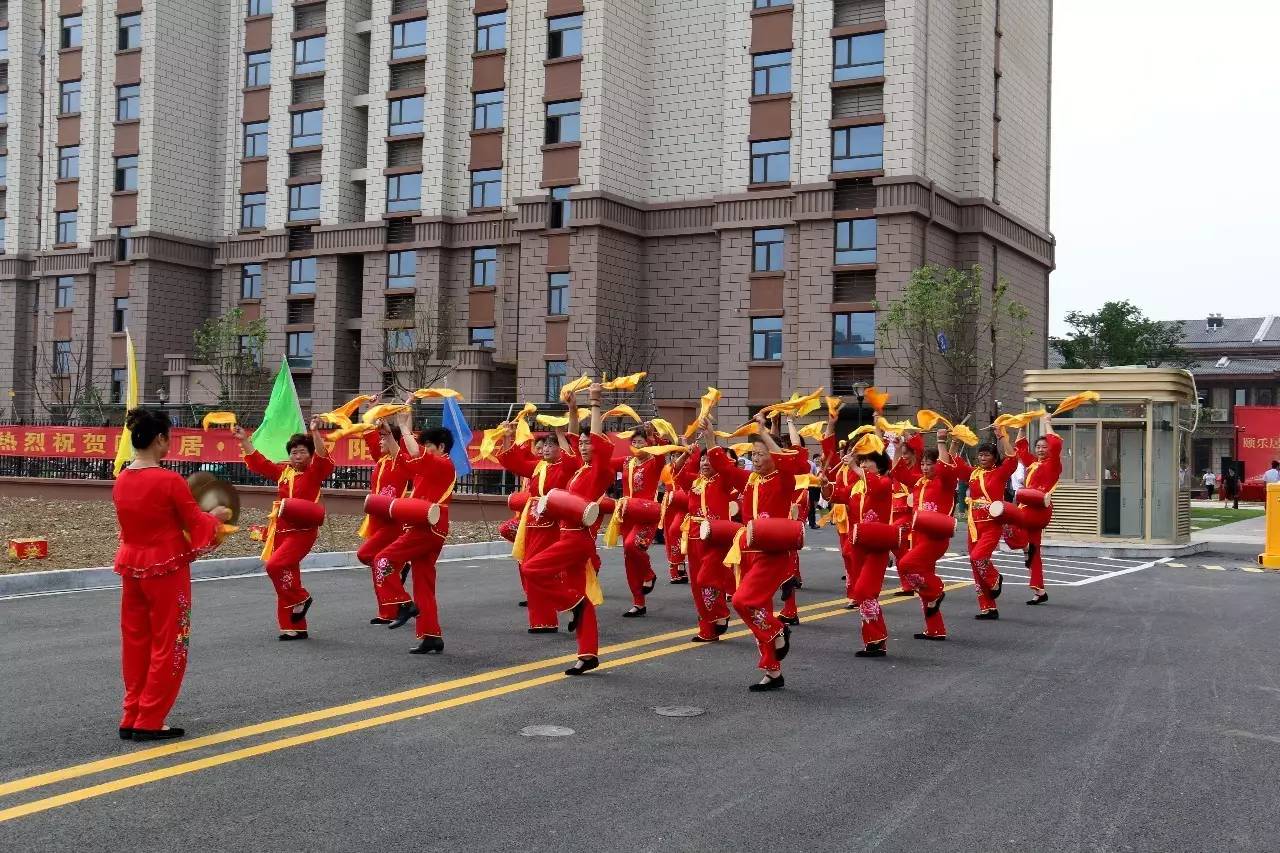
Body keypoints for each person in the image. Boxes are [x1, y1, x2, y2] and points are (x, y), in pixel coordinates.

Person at [113, 408, 232, 741]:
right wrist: (217, 517)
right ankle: (150, 719)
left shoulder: (122, 479)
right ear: (158, 439)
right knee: (170, 641)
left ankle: (132, 713)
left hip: (132, 567)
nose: (169, 446)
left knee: (136, 641)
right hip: (165, 568)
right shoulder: (168, 480)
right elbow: (196, 523)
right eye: (168, 439)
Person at [708, 414, 809, 692]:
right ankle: (773, 671)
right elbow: (723, 468)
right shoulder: (751, 480)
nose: (756, 458)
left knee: (743, 602)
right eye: (753, 454)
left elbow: (794, 461)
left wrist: (764, 433)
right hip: (748, 552)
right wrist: (709, 436)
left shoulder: (783, 478)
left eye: (761, 454)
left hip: (772, 552)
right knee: (758, 609)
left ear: (773, 456)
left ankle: (778, 631)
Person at [520, 384, 615, 675]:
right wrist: (573, 409)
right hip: (566, 536)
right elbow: (572, 438)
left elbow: (597, 440)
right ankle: (587, 654)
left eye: (588, 444)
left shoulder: (601, 470)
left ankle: (572, 604)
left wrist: (595, 403)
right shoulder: (577, 470)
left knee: (532, 569)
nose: (584, 446)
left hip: (578, 540)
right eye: (582, 444)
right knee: (581, 595)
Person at [234, 418, 334, 640]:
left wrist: (315, 432)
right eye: (294, 453)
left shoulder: (314, 472)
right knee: (287, 575)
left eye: (301, 452)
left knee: (275, 567)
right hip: (281, 531)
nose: (297, 456)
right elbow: (261, 463)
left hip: (302, 532)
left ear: (309, 455)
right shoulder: (284, 473)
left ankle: (302, 598)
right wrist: (244, 440)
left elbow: (323, 456)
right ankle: (294, 627)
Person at [374, 407, 458, 654]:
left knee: (381, 560)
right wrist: (390, 435)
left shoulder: (444, 465)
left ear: (441, 447)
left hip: (427, 529)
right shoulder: (426, 470)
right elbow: (403, 456)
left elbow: (415, 453)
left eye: (429, 445)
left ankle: (403, 604)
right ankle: (431, 636)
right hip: (427, 528)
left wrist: (406, 427)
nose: (424, 450)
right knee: (423, 584)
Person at [498, 421, 583, 633]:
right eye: (544, 445)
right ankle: (543, 620)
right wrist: (507, 436)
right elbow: (512, 462)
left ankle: (573, 601)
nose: (545, 449)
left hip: (552, 524)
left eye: (551, 446)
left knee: (537, 569)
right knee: (531, 568)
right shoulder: (539, 467)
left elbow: (573, 461)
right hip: (533, 523)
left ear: (560, 450)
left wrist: (561, 435)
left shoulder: (564, 467)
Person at [824, 443, 895, 657]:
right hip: (857, 545)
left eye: (867, 461)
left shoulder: (884, 482)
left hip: (876, 545)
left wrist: (854, 465)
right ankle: (874, 641)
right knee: (862, 592)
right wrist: (825, 484)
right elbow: (836, 495)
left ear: (880, 465)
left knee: (865, 590)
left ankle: (877, 638)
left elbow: (872, 485)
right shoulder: (856, 486)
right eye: (861, 461)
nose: (863, 464)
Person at [896, 429, 961, 640]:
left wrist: (942, 441)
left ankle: (937, 591)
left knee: (905, 565)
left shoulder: (945, 482)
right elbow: (897, 472)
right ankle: (935, 629)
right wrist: (899, 446)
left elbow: (946, 467)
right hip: (918, 537)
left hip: (935, 538)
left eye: (929, 464)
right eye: (923, 464)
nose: (924, 467)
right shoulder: (918, 482)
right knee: (922, 581)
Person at [678, 435, 739, 643]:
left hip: (716, 536)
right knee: (697, 584)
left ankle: (721, 613)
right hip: (694, 535)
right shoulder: (694, 482)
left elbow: (724, 466)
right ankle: (707, 629)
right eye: (703, 460)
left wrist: (711, 439)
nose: (705, 463)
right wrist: (689, 451)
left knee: (707, 578)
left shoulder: (723, 481)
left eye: (709, 460)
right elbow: (677, 475)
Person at [355, 420, 415, 625]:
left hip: (393, 521)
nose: (380, 441)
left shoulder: (401, 461)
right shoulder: (381, 460)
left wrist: (399, 424)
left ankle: (401, 595)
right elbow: (370, 438)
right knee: (379, 565)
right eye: (380, 437)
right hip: (376, 519)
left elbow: (401, 444)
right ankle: (388, 612)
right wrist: (372, 412)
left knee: (366, 555)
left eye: (384, 438)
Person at [957, 427, 1019, 620]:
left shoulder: (1000, 473)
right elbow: (952, 464)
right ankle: (988, 607)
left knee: (979, 556)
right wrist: (952, 441)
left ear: (994, 458)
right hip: (973, 524)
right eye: (980, 455)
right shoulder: (973, 474)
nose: (982, 458)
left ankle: (995, 579)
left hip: (992, 523)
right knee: (975, 565)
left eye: (986, 455)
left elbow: (1013, 459)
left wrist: (1002, 436)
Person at [610, 426, 665, 617]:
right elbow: (605, 462)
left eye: (641, 442)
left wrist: (654, 436)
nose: (637, 445)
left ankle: (649, 574)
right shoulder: (627, 462)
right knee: (629, 558)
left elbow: (661, 451)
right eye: (634, 442)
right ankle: (638, 603)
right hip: (627, 514)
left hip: (646, 514)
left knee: (632, 546)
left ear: (648, 444)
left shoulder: (654, 462)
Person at [1012, 416, 1064, 605]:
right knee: (1036, 551)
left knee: (1008, 519)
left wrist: (1047, 422)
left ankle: (1025, 548)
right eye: (1038, 447)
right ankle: (1039, 590)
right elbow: (1021, 447)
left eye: (1044, 447)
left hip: (1039, 510)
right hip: (1028, 508)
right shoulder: (1033, 463)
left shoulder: (1053, 463)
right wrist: (1022, 426)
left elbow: (1056, 442)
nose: (1041, 450)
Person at [807, 453, 823, 529]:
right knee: (810, 505)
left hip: (812, 486)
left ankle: (811, 522)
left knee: (812, 505)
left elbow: (814, 475)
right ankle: (811, 522)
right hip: (804, 486)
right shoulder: (799, 463)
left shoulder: (811, 464)